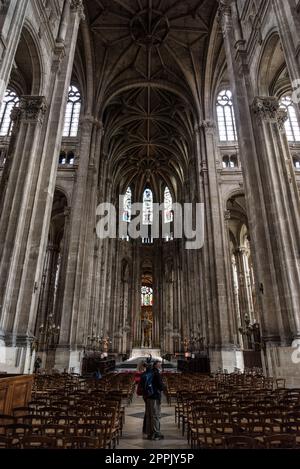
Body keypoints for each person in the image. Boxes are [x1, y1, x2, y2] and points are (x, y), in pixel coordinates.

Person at [141, 359, 164, 441]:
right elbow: (161, 387)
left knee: (149, 414)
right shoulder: (156, 373)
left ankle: (149, 432)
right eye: (159, 364)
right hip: (154, 397)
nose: (160, 365)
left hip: (148, 396)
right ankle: (156, 433)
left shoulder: (148, 373)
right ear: (155, 365)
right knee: (155, 415)